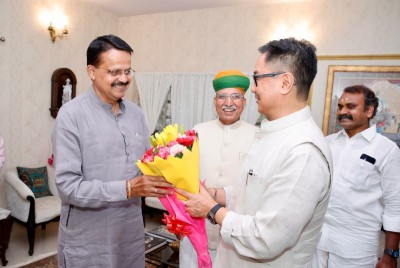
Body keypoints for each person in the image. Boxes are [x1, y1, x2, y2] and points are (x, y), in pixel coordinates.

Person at [177, 37, 332, 267]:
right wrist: (217, 194)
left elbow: (265, 238)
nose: (255, 88)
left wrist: (212, 209)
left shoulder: (303, 152)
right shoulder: (273, 134)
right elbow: (255, 190)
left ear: (285, 82)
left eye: (257, 78)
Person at [51, 35, 173, 268]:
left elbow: (148, 163)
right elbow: (68, 187)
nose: (124, 79)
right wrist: (127, 188)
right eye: (115, 72)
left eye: (128, 71)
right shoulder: (71, 116)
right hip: (89, 239)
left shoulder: (136, 114)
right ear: (92, 71)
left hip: (130, 235)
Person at [313, 85, 400, 268]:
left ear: (369, 111)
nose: (343, 112)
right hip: (317, 244)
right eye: (340, 107)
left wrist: (390, 255)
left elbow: (395, 205)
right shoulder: (328, 143)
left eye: (350, 107)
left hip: (356, 252)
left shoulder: (387, 150)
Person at [179, 70, 259, 266]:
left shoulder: (258, 136)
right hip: (196, 227)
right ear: (215, 101)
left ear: (245, 102)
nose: (229, 103)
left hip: (234, 235)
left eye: (236, 97)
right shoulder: (197, 131)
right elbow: (181, 178)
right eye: (222, 96)